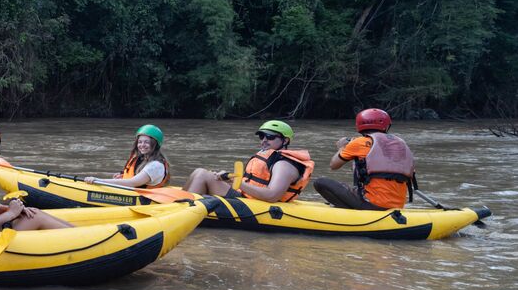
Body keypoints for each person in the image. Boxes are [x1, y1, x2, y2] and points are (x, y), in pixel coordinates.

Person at [183, 120, 314, 203]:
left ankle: (184, 209)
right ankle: (177, 203)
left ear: (285, 141)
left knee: (203, 175)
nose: (264, 140)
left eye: (270, 137)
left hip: (255, 203)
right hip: (247, 196)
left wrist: (237, 182)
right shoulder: (271, 157)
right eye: (262, 136)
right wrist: (229, 179)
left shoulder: (284, 164)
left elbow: (272, 195)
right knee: (199, 172)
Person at [313, 108, 416, 210]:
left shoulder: (359, 142)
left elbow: (333, 165)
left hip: (372, 204)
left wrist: (342, 147)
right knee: (348, 185)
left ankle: (346, 210)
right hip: (398, 205)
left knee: (320, 182)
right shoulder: (401, 144)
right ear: (387, 126)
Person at [84, 124, 170, 188]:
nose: (142, 145)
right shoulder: (143, 158)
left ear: (155, 144)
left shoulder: (155, 165)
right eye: (140, 142)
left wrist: (98, 180)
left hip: (145, 199)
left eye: (147, 142)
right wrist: (123, 176)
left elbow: (132, 182)